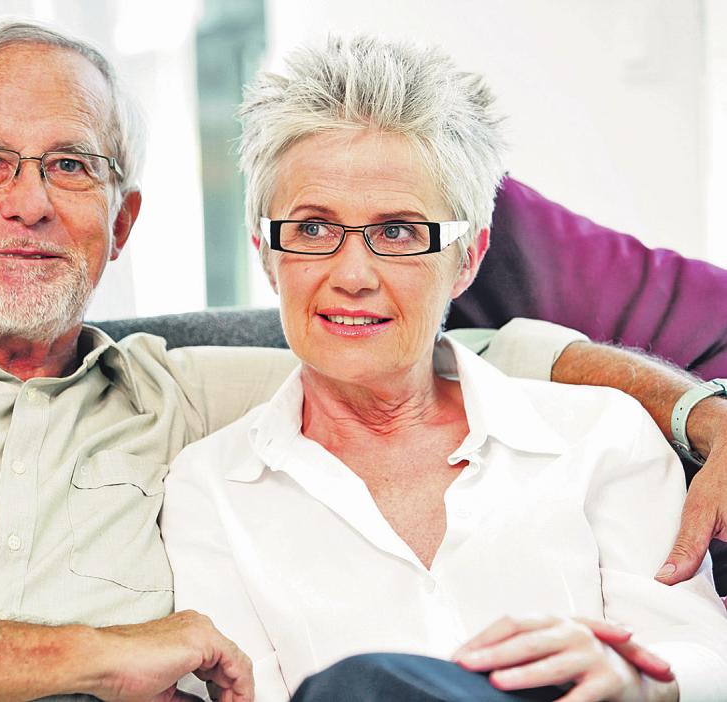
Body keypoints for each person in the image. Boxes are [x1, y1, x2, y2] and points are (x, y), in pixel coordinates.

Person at [0, 18, 724, 702]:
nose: (29, 202)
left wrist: (702, 413)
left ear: (122, 222)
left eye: (72, 165)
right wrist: (98, 654)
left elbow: (463, 353)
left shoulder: (179, 393)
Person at [161, 36, 727, 702]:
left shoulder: (603, 433)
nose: (352, 275)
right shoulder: (208, 487)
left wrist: (636, 677)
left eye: (397, 232)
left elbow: (703, 654)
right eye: (312, 229)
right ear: (266, 254)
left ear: (468, 258)